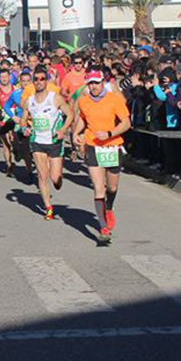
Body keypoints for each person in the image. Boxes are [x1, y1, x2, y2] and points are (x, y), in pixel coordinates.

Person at [73, 67, 131, 244]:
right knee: (99, 188)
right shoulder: (84, 101)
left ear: (103, 82)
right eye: (90, 84)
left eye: (96, 83)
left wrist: (110, 133)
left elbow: (126, 123)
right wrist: (76, 133)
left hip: (112, 145)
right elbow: (83, 118)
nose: (93, 87)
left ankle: (109, 208)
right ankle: (103, 229)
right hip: (93, 146)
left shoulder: (114, 99)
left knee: (111, 188)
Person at [20, 67, 71, 220]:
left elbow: (70, 114)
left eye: (42, 79)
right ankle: (48, 208)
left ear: (47, 81)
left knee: (55, 179)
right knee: (42, 175)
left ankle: (57, 180)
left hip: (54, 141)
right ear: (33, 82)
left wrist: (62, 130)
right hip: (37, 142)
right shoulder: (29, 101)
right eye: (36, 79)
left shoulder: (55, 98)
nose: (39, 82)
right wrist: (24, 128)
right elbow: (23, 118)